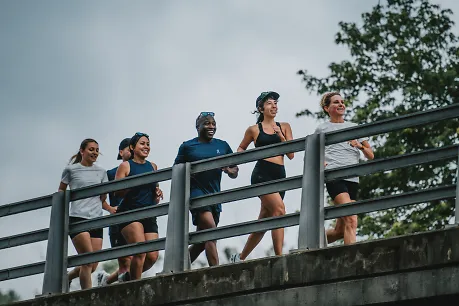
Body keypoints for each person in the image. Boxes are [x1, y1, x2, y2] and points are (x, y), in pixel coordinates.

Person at [230, 91, 294, 263]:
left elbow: (291, 154)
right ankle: (280, 258)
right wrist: (233, 163)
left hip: (280, 175)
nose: (274, 106)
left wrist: (281, 137)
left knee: (264, 221)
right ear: (261, 108)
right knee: (279, 211)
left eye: (276, 103)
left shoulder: (285, 126)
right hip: (262, 174)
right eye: (270, 103)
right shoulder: (253, 130)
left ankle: (239, 258)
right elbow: (242, 148)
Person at [174, 112, 239, 267]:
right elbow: (176, 171)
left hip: (215, 195)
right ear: (198, 127)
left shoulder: (222, 145)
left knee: (202, 241)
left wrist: (230, 171)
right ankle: (216, 272)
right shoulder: (187, 146)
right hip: (196, 194)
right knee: (211, 230)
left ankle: (179, 267)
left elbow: (235, 169)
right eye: (207, 123)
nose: (211, 126)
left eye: (213, 123)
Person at [315, 92, 374, 245]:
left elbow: (370, 155)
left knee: (340, 231)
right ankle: (351, 263)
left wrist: (360, 146)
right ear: (326, 108)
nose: (341, 104)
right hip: (335, 176)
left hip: (353, 179)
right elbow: (313, 153)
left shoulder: (354, 127)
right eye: (336, 102)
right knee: (351, 219)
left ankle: (312, 240)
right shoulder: (322, 128)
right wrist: (321, 163)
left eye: (342, 102)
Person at [59, 138, 114, 290]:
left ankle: (67, 278)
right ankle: (88, 297)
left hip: (96, 219)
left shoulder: (102, 172)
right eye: (91, 149)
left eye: (97, 150)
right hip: (78, 218)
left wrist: (109, 209)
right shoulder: (71, 170)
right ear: (82, 151)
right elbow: (61, 193)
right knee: (87, 261)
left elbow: (102, 198)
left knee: (93, 265)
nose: (95, 152)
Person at [115, 133, 163, 280]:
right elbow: (117, 192)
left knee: (153, 256)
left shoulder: (153, 166)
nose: (146, 147)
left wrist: (157, 193)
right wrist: (132, 184)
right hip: (130, 213)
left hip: (148, 213)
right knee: (140, 252)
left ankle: (128, 278)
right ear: (132, 147)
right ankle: (136, 288)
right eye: (142, 143)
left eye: (148, 144)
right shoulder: (125, 166)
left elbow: (154, 199)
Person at [97, 138, 132, 286]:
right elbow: (100, 198)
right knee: (125, 263)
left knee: (137, 260)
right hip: (117, 223)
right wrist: (111, 209)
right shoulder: (110, 174)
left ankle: (106, 280)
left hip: (137, 221)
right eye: (128, 149)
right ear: (121, 152)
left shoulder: (141, 170)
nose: (131, 152)